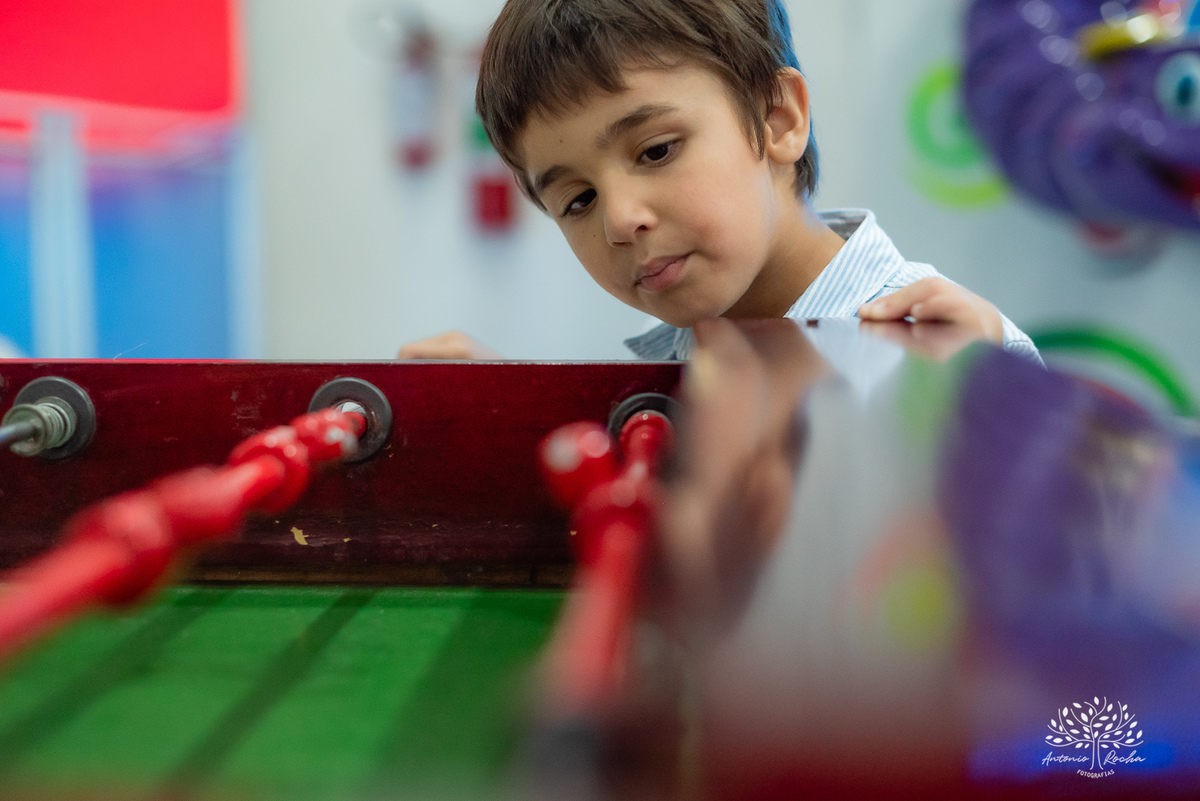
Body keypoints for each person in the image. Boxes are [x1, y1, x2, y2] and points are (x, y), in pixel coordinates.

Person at [398, 0, 1039, 363]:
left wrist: (986, 413)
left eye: (655, 151)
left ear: (778, 119)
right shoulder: (667, 380)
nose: (620, 220)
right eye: (578, 199)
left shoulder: (953, 349)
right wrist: (508, 419)